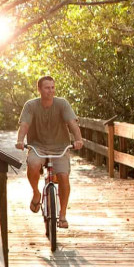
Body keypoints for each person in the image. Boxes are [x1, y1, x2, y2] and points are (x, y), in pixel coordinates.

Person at [15, 75, 84, 229]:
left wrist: (78, 139)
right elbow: (24, 125)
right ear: (39, 89)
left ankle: (63, 215)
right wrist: (20, 140)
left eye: (52, 87)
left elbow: (72, 123)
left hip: (60, 146)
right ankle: (36, 193)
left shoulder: (62, 104)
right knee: (32, 164)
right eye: (47, 88)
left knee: (63, 177)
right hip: (37, 146)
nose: (50, 91)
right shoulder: (31, 105)